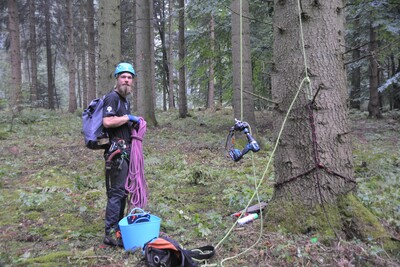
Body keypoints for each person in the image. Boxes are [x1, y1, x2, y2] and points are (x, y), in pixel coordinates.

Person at [102, 62, 140, 247]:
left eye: (129, 77)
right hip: (117, 154)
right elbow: (108, 122)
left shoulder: (125, 100)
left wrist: (133, 124)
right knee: (117, 193)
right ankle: (109, 233)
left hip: (127, 151)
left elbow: (121, 122)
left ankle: (118, 229)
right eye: (123, 76)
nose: (126, 80)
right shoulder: (112, 98)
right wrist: (127, 118)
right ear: (117, 79)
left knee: (124, 192)